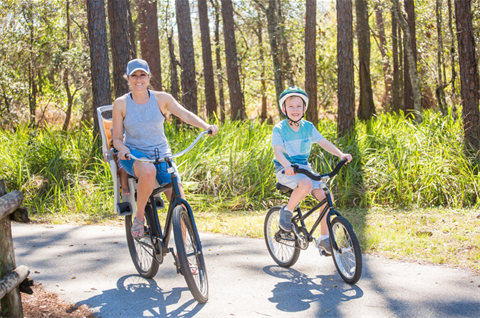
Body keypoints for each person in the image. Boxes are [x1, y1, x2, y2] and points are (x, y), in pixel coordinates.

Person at [112, 58, 219, 238]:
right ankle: (139, 218)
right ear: (128, 79)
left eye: (142, 75)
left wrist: (205, 126)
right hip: (135, 156)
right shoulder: (121, 103)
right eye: (134, 76)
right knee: (147, 171)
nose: (139, 80)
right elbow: (116, 139)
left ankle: (183, 255)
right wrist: (124, 150)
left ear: (148, 77)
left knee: (180, 203)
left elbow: (185, 114)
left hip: (162, 156)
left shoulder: (162, 99)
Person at [271, 87, 352, 255]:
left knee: (326, 197)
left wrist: (340, 154)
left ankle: (324, 238)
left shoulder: (308, 127)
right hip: (285, 169)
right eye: (291, 106)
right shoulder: (279, 129)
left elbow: (323, 142)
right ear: (284, 109)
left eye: (298, 106)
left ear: (304, 109)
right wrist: (286, 165)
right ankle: (287, 212)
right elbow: (278, 151)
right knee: (306, 183)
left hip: (304, 168)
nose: (295, 110)